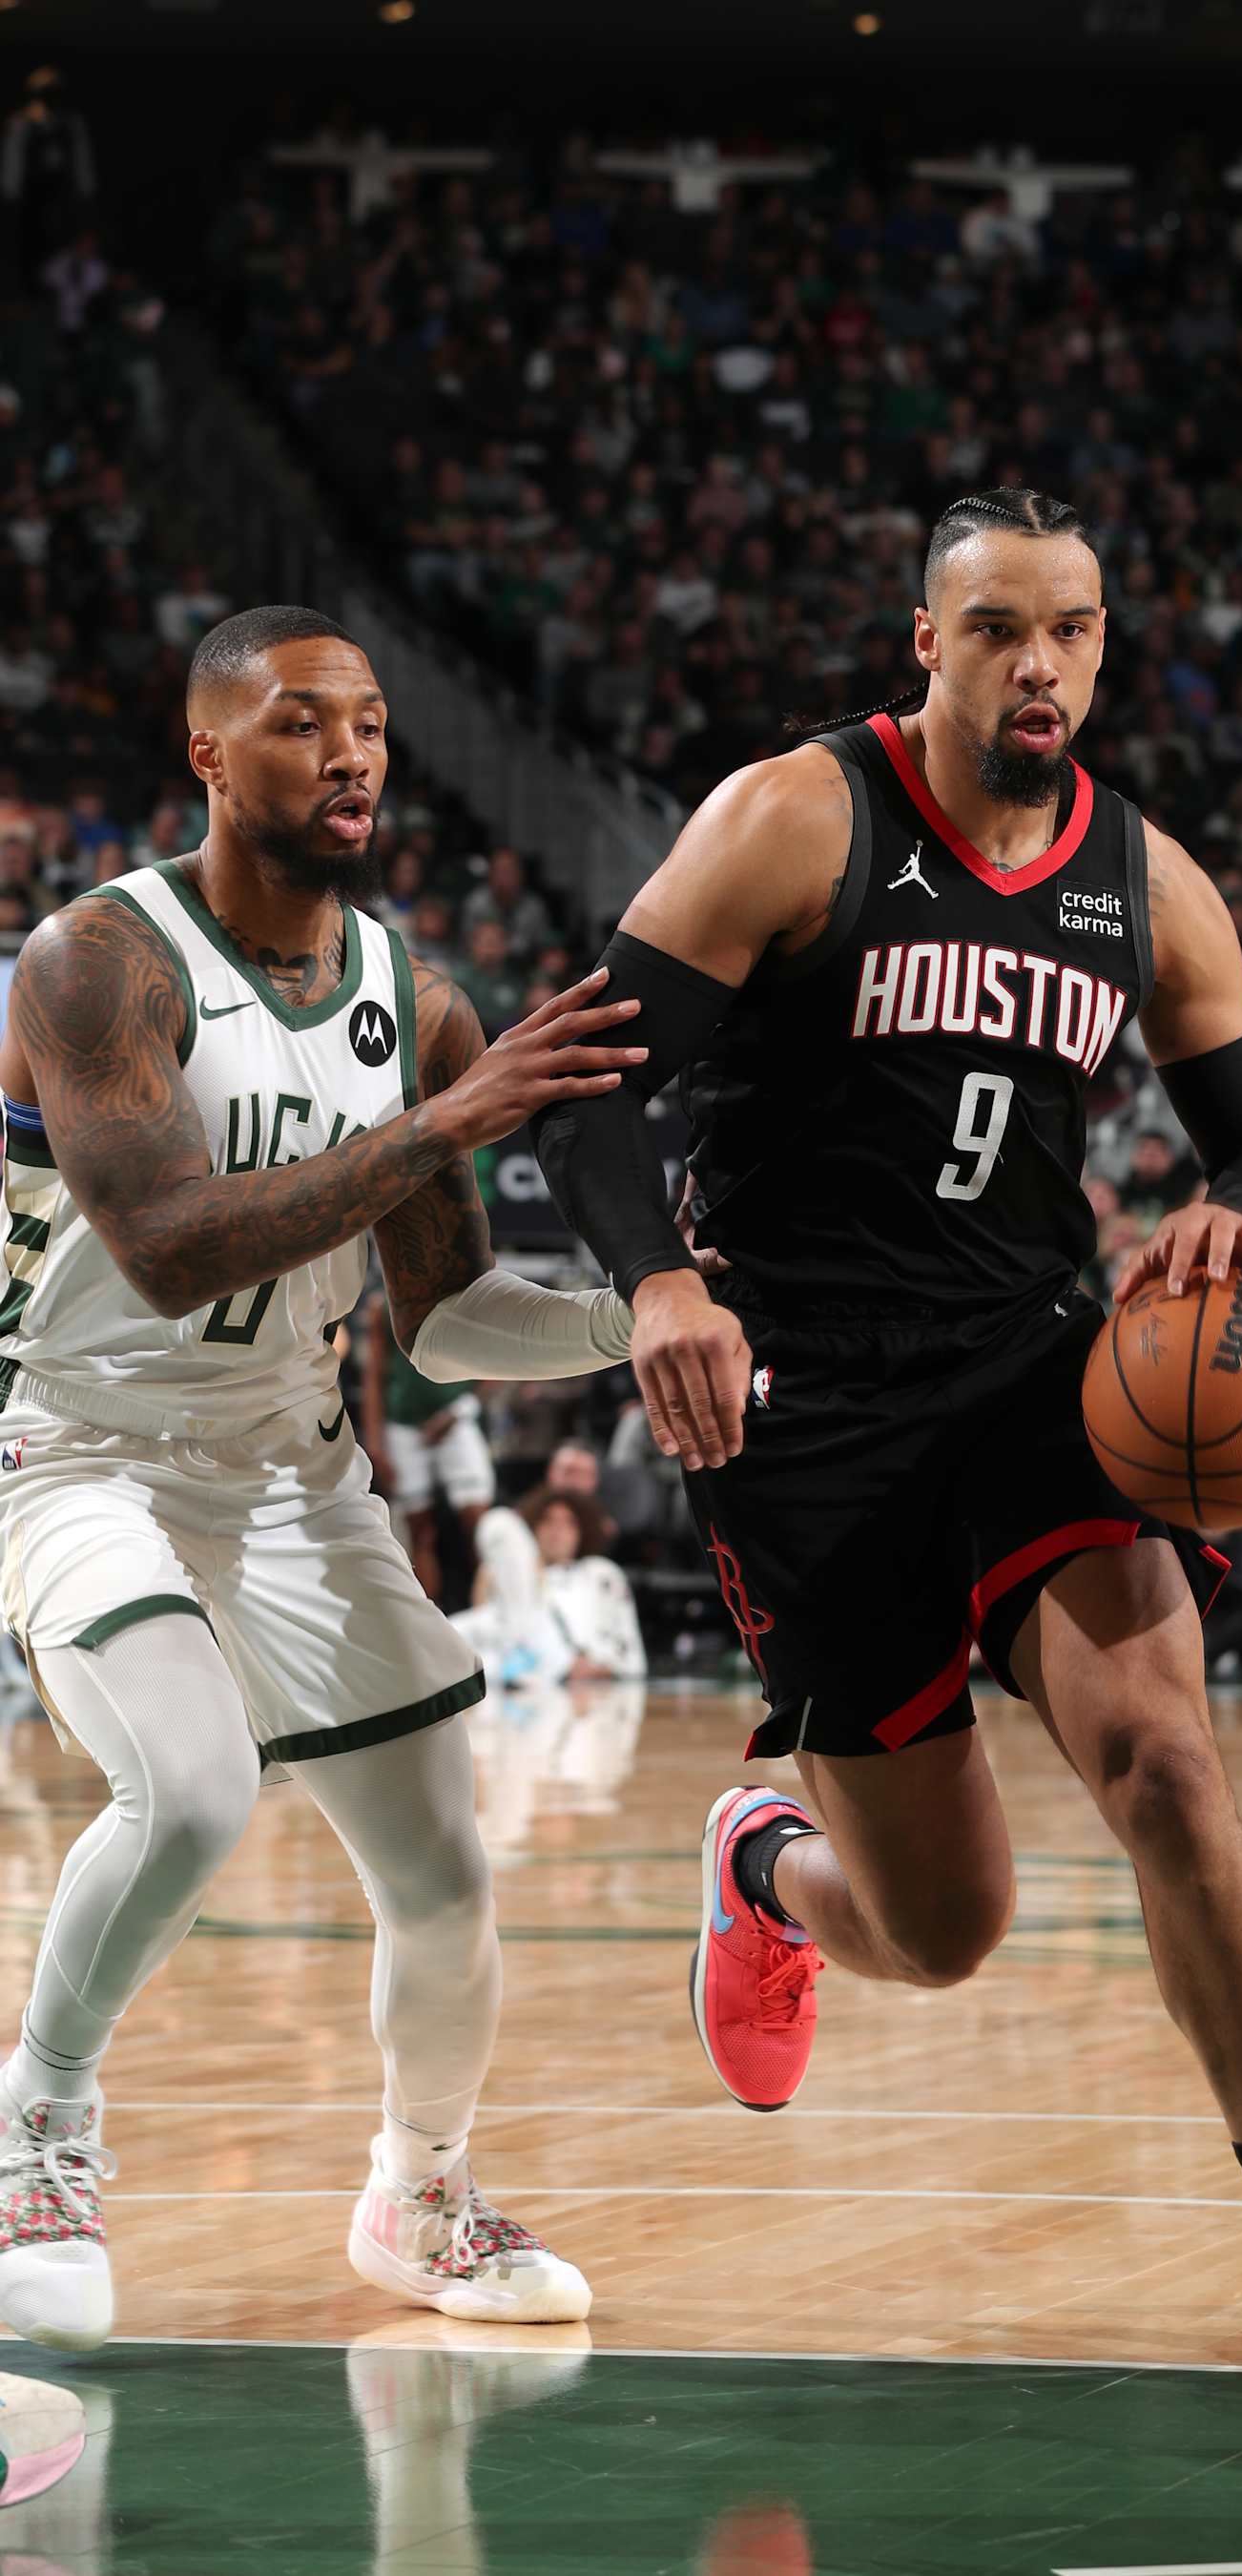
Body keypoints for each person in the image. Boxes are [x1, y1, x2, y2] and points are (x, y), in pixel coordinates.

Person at [532, 489, 1242, 2407]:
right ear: (927, 647)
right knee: (948, 1936)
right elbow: (594, 1072)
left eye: (1075, 630)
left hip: (1042, 1374)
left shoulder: (1151, 881)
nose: (1042, 662)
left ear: (1104, 650)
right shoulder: (800, 816)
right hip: (807, 1410)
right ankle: (770, 1874)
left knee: (1172, 1767)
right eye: (1000, 629)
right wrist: (657, 1284)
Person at [0, 604, 649, 2353]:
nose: (351, 753)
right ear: (207, 754)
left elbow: (448, 1324)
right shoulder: (94, 962)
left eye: (368, 722)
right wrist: (446, 1124)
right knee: (193, 1790)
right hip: (80, 1455)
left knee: (445, 1871)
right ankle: (38, 2131)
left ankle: (417, 2193)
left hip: (291, 1475)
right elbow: (165, 1251)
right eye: (301, 723)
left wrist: (634, 1323)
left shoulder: (413, 1001)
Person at [362, 1286, 496, 1601]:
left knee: (478, 1520)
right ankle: (429, 1618)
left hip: (456, 1420)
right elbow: (373, 1376)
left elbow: (501, 1369)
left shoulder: (471, 1292)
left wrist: (457, 1411)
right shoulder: (383, 1305)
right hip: (404, 1426)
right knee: (418, 1530)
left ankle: (494, 1604)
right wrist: (376, 1444)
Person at [452, 1487, 647, 1686]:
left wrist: (593, 1663)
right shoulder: (508, 1571)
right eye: (548, 1521)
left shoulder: (599, 1572)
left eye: (568, 1523)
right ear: (533, 1529)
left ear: (580, 1533)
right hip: (520, 1651)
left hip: (580, 1662)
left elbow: (624, 1636)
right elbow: (492, 1623)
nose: (557, 1530)